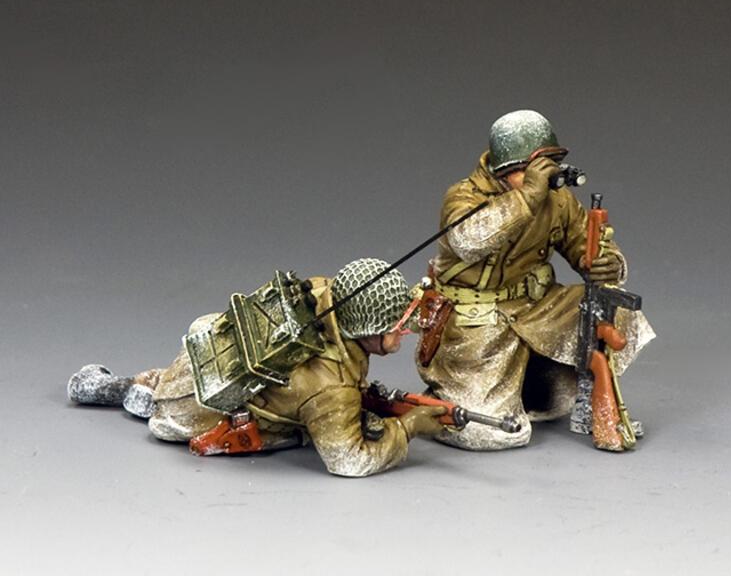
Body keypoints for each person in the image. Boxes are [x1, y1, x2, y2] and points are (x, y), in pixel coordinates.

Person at [69, 258, 445, 477]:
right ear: (368, 332)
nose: (405, 332)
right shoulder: (332, 390)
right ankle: (135, 395)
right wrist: (408, 427)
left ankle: (139, 388)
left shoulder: (327, 292)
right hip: (201, 411)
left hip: (211, 351)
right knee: (163, 405)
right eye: (398, 326)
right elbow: (349, 461)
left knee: (163, 384)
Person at [417, 109, 655, 451]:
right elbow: (469, 241)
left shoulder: (557, 200)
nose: (547, 177)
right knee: (495, 433)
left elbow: (584, 242)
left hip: (538, 308)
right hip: (479, 320)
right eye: (534, 169)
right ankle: (442, 402)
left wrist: (608, 264)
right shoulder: (464, 196)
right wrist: (527, 196)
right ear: (506, 171)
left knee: (614, 309)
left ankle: (566, 392)